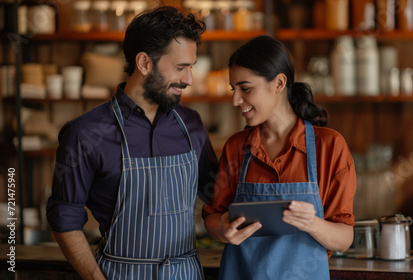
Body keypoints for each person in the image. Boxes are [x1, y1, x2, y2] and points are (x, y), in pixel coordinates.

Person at [46, 6, 218, 280]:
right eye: (180, 68)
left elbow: (217, 196)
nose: (189, 79)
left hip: (186, 272)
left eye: (191, 67)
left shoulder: (192, 125)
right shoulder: (85, 133)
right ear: (145, 63)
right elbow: (65, 217)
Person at [203, 35, 356, 279]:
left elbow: (344, 239)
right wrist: (222, 230)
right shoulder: (236, 148)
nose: (235, 100)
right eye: (234, 89)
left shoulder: (329, 146)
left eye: (245, 88)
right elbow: (212, 216)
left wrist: (312, 223)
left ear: (279, 83)